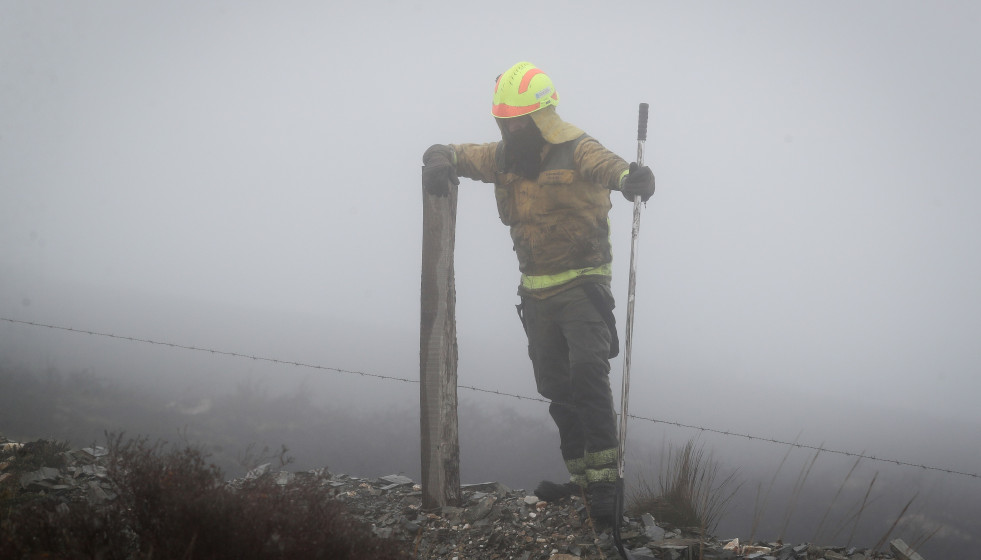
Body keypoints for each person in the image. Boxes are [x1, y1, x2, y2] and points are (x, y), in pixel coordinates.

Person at [421, 61, 655, 527]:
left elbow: (609, 167)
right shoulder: (504, 157)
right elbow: (454, 151)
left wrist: (632, 178)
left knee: (588, 375)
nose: (510, 129)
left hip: (582, 288)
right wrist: (438, 158)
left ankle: (607, 489)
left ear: (541, 117)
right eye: (503, 121)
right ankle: (583, 482)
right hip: (535, 296)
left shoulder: (577, 149)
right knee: (556, 389)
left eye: (518, 121)